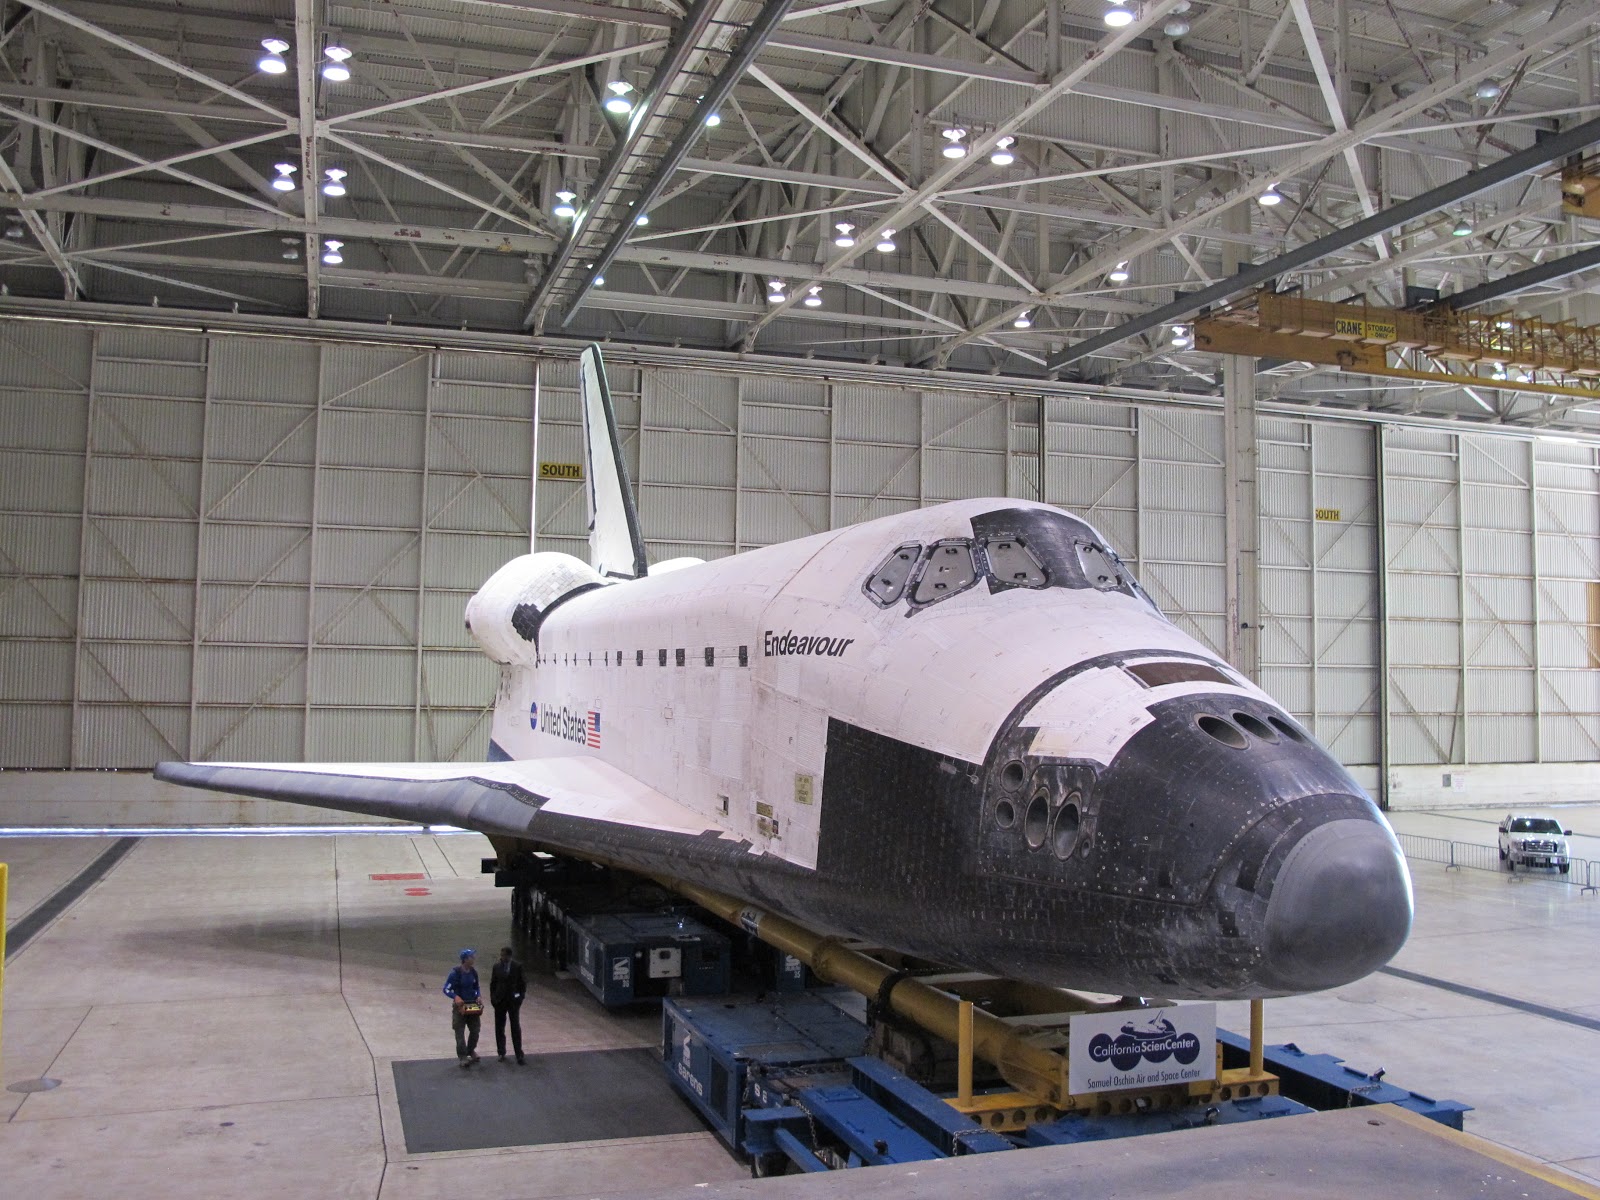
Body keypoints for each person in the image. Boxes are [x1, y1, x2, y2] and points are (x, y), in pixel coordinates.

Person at [443, 948, 483, 1067]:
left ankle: (470, 1050)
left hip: (472, 1005)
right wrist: (455, 997)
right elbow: (446, 989)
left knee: (475, 1030)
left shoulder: (473, 972)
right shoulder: (455, 973)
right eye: (471, 957)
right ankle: (462, 1056)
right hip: (460, 1007)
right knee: (459, 1032)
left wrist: (478, 996)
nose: (473, 959)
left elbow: (476, 987)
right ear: (465, 959)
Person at [490, 945, 528, 1064]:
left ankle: (519, 1054)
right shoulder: (496, 967)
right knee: (499, 1027)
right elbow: (493, 984)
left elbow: (522, 983)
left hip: (513, 1002)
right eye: (501, 955)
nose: (502, 957)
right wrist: (493, 999)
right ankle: (501, 1052)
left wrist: (520, 998)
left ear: (509, 956)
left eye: (504, 955)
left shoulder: (517, 967)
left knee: (515, 1027)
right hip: (500, 1001)